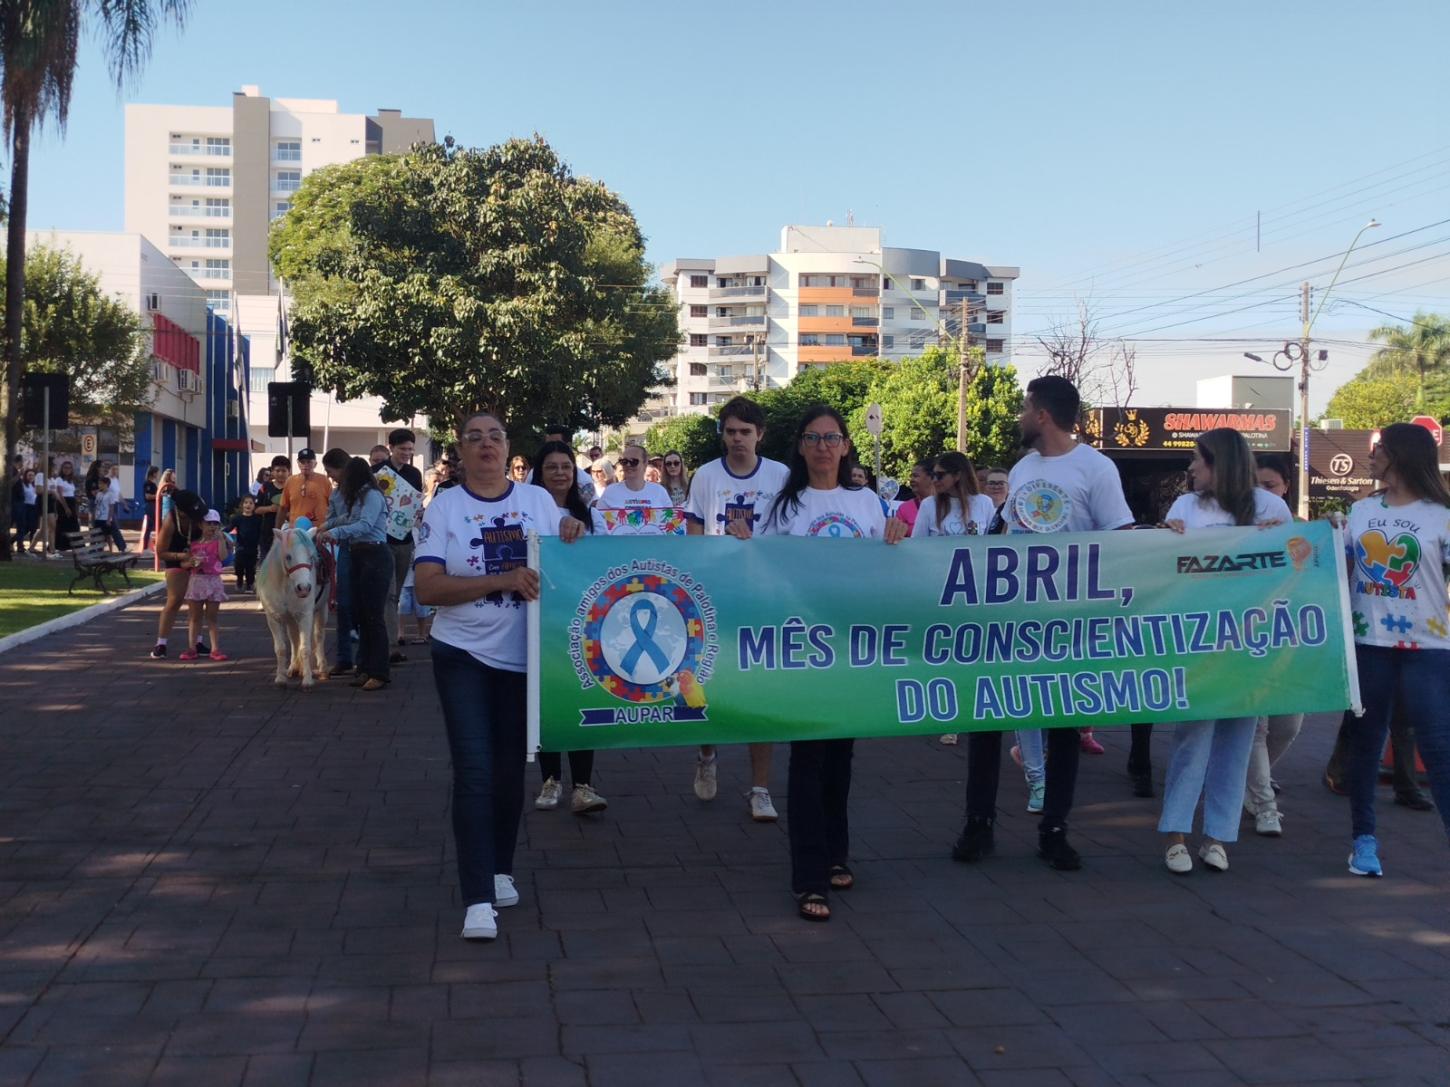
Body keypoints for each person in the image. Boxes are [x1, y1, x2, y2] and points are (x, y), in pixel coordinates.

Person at [413, 411, 586, 941]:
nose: (485, 445)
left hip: (524, 657)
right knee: (475, 771)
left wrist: (574, 532)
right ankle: (477, 899)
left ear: (508, 448)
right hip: (461, 654)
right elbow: (428, 589)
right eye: (474, 438)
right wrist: (501, 579)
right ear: (459, 451)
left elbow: (568, 556)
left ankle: (501, 869)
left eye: (495, 437)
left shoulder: (536, 500)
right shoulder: (445, 508)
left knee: (512, 771)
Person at [955, 375, 1134, 872]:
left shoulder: (1096, 468)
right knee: (987, 722)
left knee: (1062, 727)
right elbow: (1010, 533)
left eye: (1024, 408)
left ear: (1043, 414)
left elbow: (1121, 538)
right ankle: (978, 824)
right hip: (1012, 621)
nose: (1018, 416)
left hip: (1067, 626)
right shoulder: (1023, 466)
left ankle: (1054, 829)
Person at [751, 405, 905, 921]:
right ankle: (809, 876)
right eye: (813, 437)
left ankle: (837, 854)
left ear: (844, 446)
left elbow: (891, 567)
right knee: (809, 760)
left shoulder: (867, 503)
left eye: (832, 437)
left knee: (840, 760)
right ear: (800, 446)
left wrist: (897, 539)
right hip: (803, 649)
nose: (822, 446)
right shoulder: (783, 506)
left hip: (852, 650)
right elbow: (761, 570)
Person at [1157, 429, 1291, 874]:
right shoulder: (1185, 508)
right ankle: (1175, 835)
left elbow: (1296, 565)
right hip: (1198, 642)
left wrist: (1283, 542)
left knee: (1237, 740)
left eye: (1198, 460)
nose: (1191, 468)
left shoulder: (1270, 507)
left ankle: (1217, 837)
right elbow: (1165, 568)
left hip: (1250, 643)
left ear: (1221, 463)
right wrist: (1164, 538)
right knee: (1192, 738)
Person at [1339, 423, 1450, 878]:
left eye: (1379, 449)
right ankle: (1363, 840)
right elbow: (1328, 563)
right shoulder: (1361, 511)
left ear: (1401, 455)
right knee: (1365, 743)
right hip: (1369, 641)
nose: (1372, 455)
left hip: (1428, 645)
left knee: (1439, 747)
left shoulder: (1441, 515)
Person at [684, 396, 792, 819]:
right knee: (704, 685)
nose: (737, 439)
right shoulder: (706, 476)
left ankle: (759, 787)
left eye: (745, 432)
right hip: (714, 597)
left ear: (760, 434)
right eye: (730, 431)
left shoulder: (781, 475)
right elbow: (693, 529)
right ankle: (707, 753)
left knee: (758, 690)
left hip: (763, 598)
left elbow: (790, 533)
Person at [533, 439, 609, 815]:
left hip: (584, 621)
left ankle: (583, 784)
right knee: (545, 703)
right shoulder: (527, 512)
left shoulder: (594, 515)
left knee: (582, 700)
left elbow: (607, 562)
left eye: (566, 466)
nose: (560, 473)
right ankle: (550, 781)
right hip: (539, 620)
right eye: (551, 467)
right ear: (538, 472)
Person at [1241, 453, 1305, 835]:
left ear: (1285, 490)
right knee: (1258, 727)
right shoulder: (1234, 533)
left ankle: (1251, 784)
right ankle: (1264, 803)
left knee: (1290, 723)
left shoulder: (1305, 536)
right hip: (1245, 642)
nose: (1263, 495)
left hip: (1288, 644)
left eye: (1271, 487)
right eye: (1256, 487)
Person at [916, 451, 997, 748]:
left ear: (957, 476)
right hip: (939, 591)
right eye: (933, 475)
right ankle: (947, 715)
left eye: (939, 475)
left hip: (974, 591)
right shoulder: (928, 506)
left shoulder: (984, 504)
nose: (933, 480)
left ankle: (967, 713)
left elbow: (991, 546)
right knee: (944, 654)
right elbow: (917, 548)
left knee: (971, 654)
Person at [318, 458, 391, 692]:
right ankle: (364, 668)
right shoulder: (359, 496)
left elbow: (365, 525)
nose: (339, 480)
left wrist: (335, 531)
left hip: (374, 554)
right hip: (360, 554)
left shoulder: (371, 496)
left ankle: (379, 671)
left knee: (373, 616)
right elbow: (349, 519)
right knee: (361, 615)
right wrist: (328, 526)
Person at [375, 428, 425, 664]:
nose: (406, 453)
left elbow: (416, 503)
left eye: (410, 450)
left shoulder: (415, 474)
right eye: (402, 449)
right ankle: (388, 645)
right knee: (387, 593)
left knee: (394, 595)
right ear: (390, 447)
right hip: (380, 541)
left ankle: (390, 642)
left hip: (404, 540)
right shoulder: (376, 473)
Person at [150, 489, 209, 659]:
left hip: (197, 558)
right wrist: (182, 557)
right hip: (175, 557)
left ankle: (196, 642)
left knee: (197, 602)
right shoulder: (170, 521)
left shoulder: (199, 515)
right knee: (174, 599)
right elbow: (161, 551)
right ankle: (161, 644)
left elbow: (210, 534)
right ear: (181, 512)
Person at [321, 448, 359, 677]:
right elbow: (330, 518)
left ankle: (366, 659)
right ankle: (344, 658)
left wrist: (333, 526)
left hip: (366, 549)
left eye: (330, 471)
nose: (329, 476)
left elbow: (356, 517)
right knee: (343, 605)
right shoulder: (336, 494)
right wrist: (329, 526)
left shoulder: (365, 491)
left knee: (365, 607)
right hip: (345, 549)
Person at [179, 509, 232, 661]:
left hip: (213, 581)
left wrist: (222, 540)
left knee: (212, 618)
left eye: (215, 524)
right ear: (201, 525)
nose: (212, 527)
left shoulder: (217, 542)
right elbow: (184, 563)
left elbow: (222, 557)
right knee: (194, 617)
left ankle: (215, 648)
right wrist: (191, 562)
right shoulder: (194, 544)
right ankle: (192, 647)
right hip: (197, 580)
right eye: (209, 523)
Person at [598, 442, 672, 516]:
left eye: (634, 462)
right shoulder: (610, 492)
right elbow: (597, 520)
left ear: (645, 463)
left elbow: (671, 518)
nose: (628, 465)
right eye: (624, 461)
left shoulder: (659, 491)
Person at [278, 448, 332, 528]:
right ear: (298, 463)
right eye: (302, 462)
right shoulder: (290, 481)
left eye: (309, 462)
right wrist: (278, 532)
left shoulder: (324, 480)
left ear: (315, 463)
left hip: (319, 532)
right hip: (296, 533)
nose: (305, 465)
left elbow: (333, 506)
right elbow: (283, 508)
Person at [254, 456, 290, 562]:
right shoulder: (265, 487)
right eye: (277, 470)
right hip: (266, 534)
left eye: (283, 470)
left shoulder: (293, 487)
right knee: (266, 565)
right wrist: (270, 508)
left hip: (288, 534)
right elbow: (256, 509)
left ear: (289, 472)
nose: (280, 473)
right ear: (272, 472)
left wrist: (286, 514)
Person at [90, 463, 126, 552]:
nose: (115, 471)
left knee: (113, 531)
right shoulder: (105, 482)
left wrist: (124, 503)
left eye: (117, 469)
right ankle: (97, 549)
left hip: (109, 512)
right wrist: (94, 516)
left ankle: (121, 548)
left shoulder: (115, 481)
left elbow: (115, 500)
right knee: (100, 533)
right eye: (113, 469)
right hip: (101, 514)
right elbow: (96, 503)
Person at [229, 495, 262, 593]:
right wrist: (221, 532)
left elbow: (260, 532)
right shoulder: (237, 518)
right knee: (239, 566)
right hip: (240, 547)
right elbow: (230, 528)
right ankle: (239, 580)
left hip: (253, 548)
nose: (248, 505)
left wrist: (261, 542)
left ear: (254, 506)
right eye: (246, 502)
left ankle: (249, 584)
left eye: (251, 503)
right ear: (242, 505)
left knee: (250, 568)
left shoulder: (257, 519)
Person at [897, 458, 934, 536]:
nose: (911, 480)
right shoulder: (904, 509)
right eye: (911, 476)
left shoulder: (946, 505)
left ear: (931, 478)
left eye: (916, 476)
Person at [53, 461, 79, 545]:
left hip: (71, 502)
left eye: (69, 468)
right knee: (62, 524)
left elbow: (71, 492)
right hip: (63, 503)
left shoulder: (70, 481)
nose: (67, 470)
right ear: (62, 469)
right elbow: (60, 494)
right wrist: (66, 508)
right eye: (65, 468)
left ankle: (74, 544)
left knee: (73, 524)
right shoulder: (59, 479)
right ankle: (58, 545)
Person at [140, 467, 161, 551]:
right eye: (157, 473)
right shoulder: (148, 484)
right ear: (153, 473)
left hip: (154, 505)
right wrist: (159, 495)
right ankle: (145, 548)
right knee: (150, 526)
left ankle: (151, 546)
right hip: (150, 506)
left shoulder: (153, 483)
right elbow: (147, 496)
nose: (158, 474)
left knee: (154, 525)